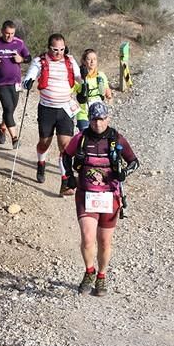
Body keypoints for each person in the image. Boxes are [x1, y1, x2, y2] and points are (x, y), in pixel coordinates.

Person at [62, 101, 139, 296]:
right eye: (94, 119)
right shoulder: (80, 138)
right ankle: (89, 271)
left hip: (110, 196)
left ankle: (102, 276)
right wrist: (68, 176)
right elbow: (64, 157)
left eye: (102, 119)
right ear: (89, 119)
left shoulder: (117, 139)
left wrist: (124, 174)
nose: (98, 123)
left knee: (105, 242)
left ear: (108, 119)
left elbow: (134, 162)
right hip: (85, 195)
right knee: (88, 239)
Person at [22, 33, 82, 195]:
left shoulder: (70, 60)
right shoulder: (39, 61)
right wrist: (28, 82)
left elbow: (78, 76)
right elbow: (29, 76)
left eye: (62, 49)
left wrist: (85, 81)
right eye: (55, 50)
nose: (59, 53)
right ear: (49, 48)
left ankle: (65, 181)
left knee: (66, 146)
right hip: (47, 109)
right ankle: (41, 163)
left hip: (65, 109)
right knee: (44, 143)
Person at [0, 20, 32, 148]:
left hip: (16, 82)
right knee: (8, 108)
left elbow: (29, 57)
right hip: (1, 82)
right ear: (2, 31)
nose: (9, 36)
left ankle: (2, 127)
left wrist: (21, 59)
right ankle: (15, 138)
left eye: (11, 33)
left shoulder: (19, 43)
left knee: (12, 108)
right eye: (6, 33)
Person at [74, 49, 113, 132]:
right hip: (84, 114)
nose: (92, 62)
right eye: (89, 59)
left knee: (99, 139)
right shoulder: (78, 78)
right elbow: (69, 92)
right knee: (86, 138)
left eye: (94, 59)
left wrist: (109, 96)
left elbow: (106, 88)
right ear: (83, 61)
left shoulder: (101, 75)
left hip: (99, 115)